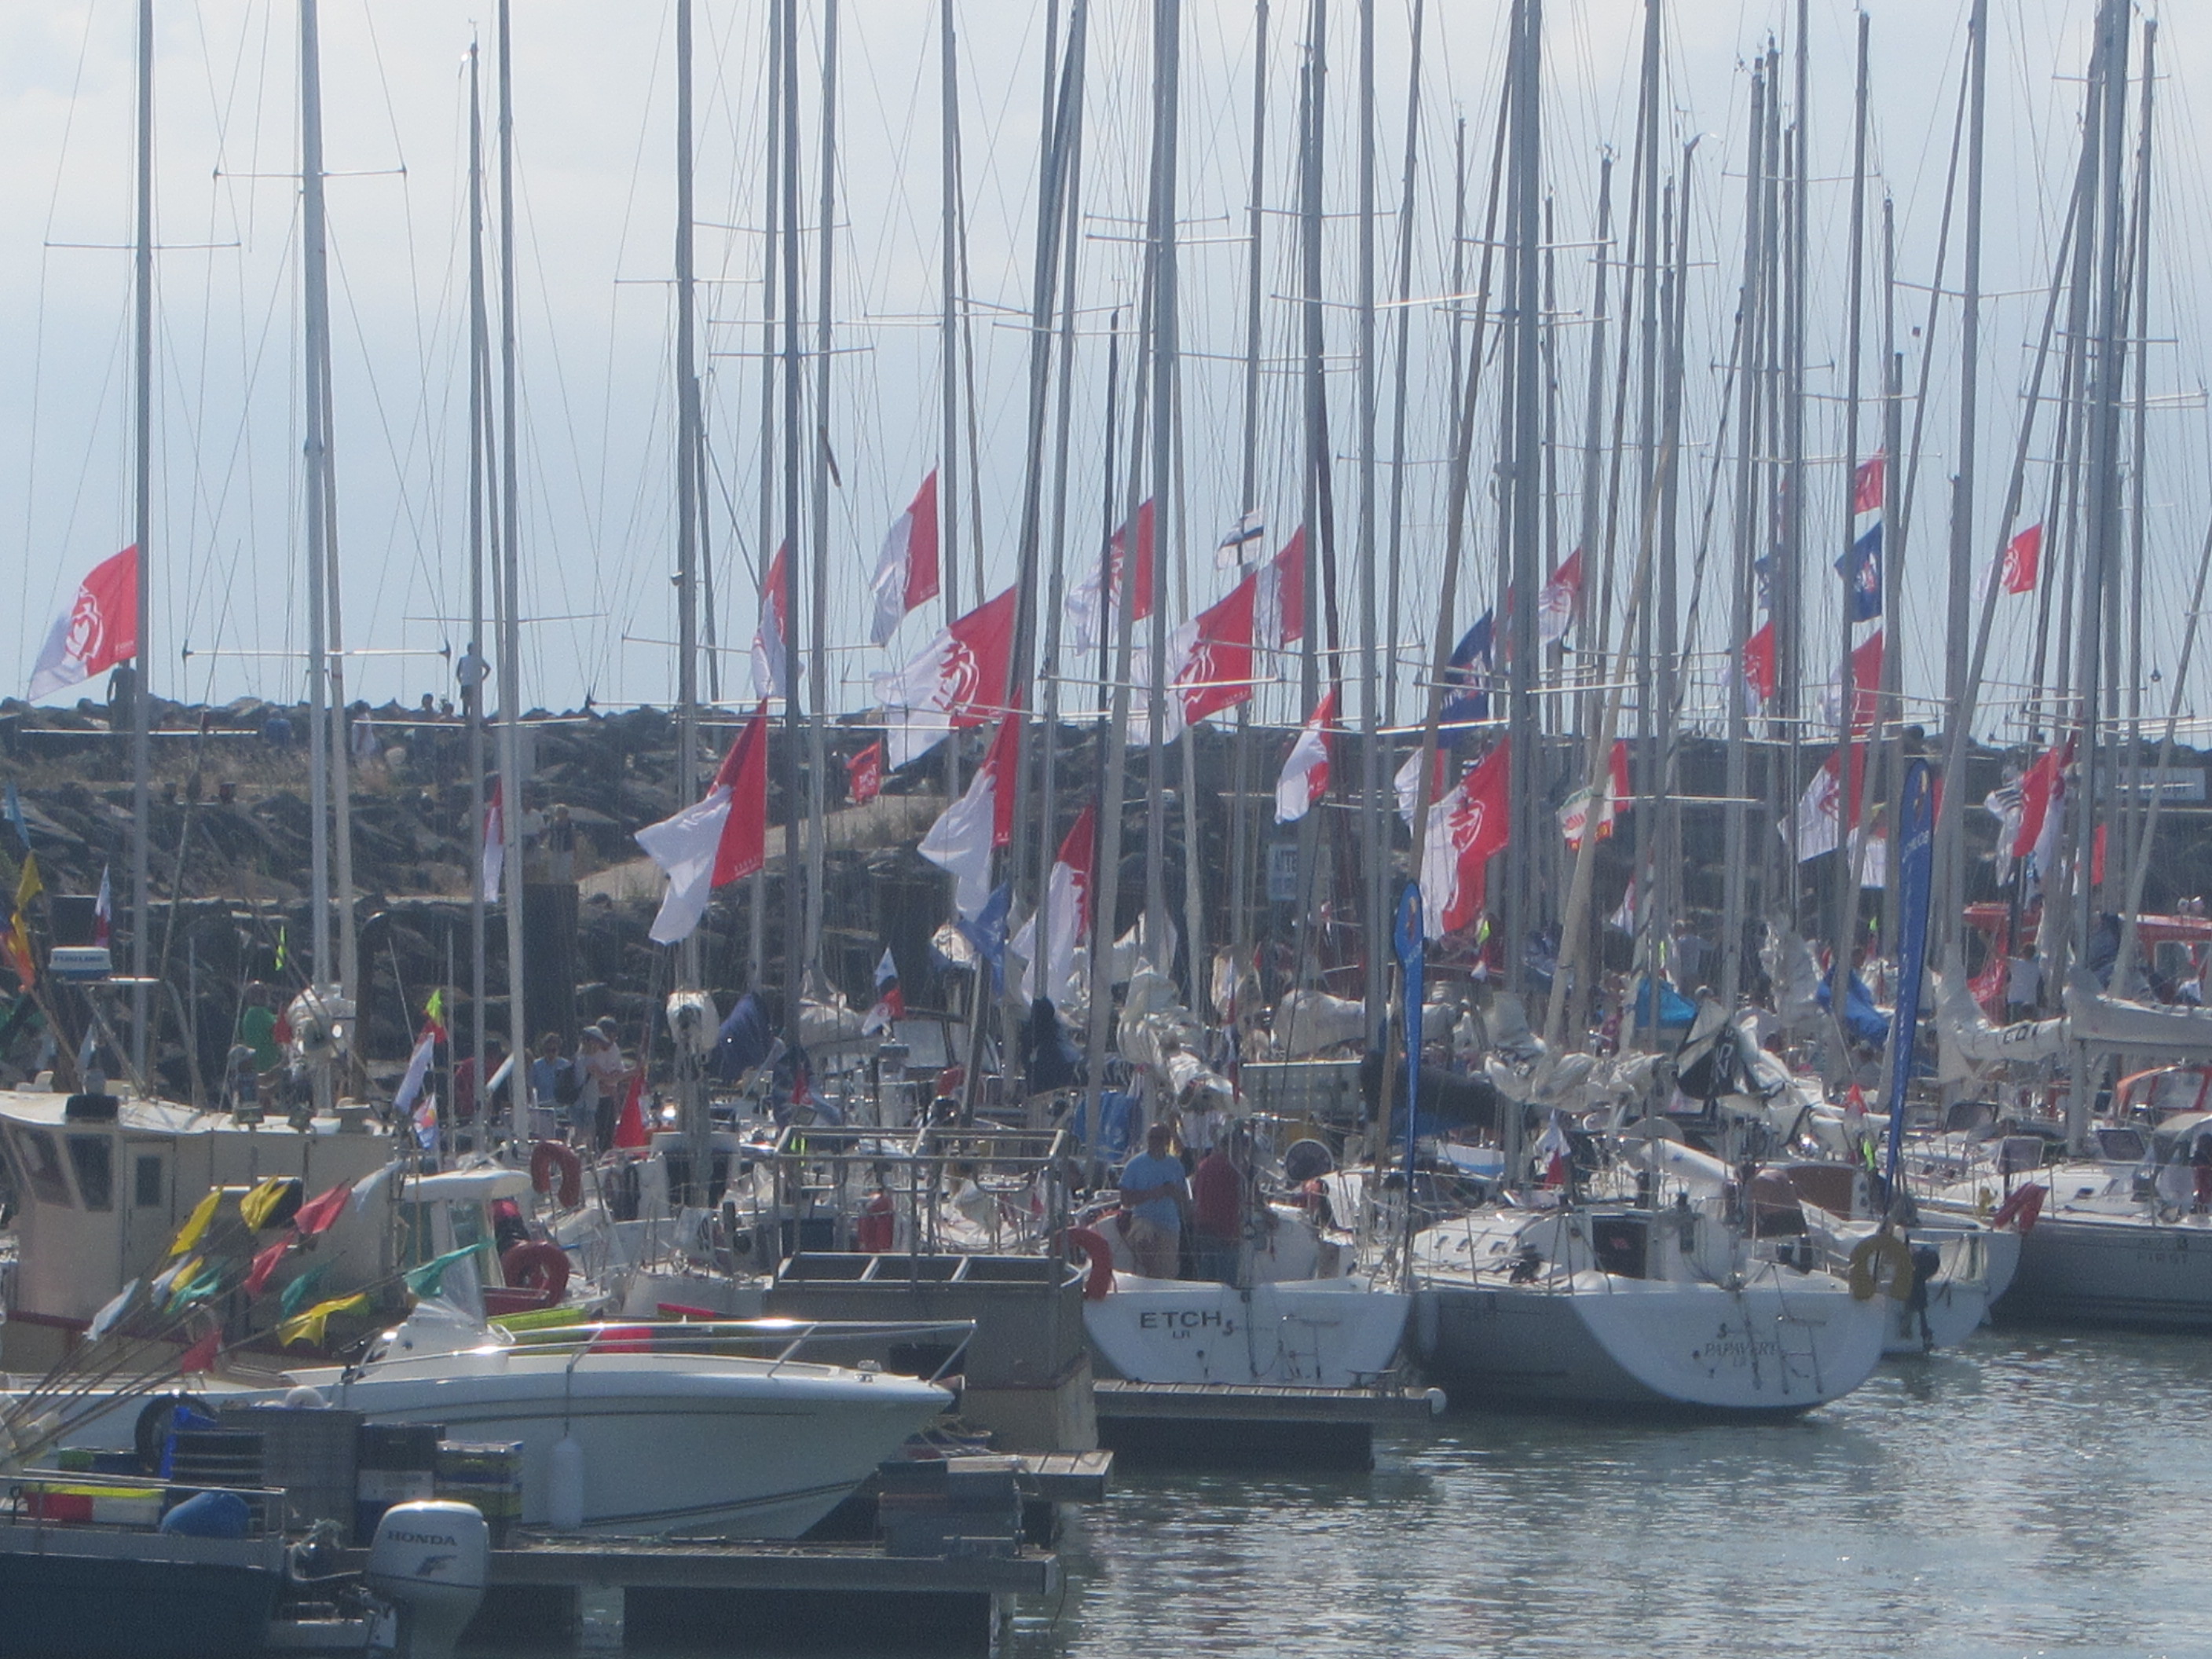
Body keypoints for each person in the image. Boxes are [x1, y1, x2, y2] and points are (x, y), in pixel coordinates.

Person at [1118, 1122, 1189, 1280]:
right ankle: (1148, 1276)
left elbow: (1184, 1198)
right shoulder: (1135, 1164)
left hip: (1169, 1223)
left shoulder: (1175, 1165)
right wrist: (1152, 1193)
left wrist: (1172, 1191)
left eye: (1159, 1138)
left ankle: (1159, 1288)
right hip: (1143, 1217)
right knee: (1144, 1236)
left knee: (1167, 1272)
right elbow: (1125, 1199)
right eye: (1151, 1137)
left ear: (1167, 1141)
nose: (1154, 1141)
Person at [1190, 1134, 1245, 1284]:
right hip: (1226, 1231)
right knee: (1226, 1282)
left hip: (1204, 1227)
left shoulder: (1204, 1165)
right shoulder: (1234, 1169)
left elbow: (1195, 1193)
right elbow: (1247, 1198)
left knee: (1206, 1278)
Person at [528, 1033, 572, 1141]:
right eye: (547, 1050)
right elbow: (531, 1088)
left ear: (558, 1050)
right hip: (543, 1110)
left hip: (561, 1111)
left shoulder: (566, 1065)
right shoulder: (536, 1066)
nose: (551, 1053)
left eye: (554, 1050)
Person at [237, 984, 282, 1075]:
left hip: (256, 1065)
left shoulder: (250, 1013)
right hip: (268, 1065)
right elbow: (277, 1029)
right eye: (264, 995)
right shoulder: (259, 1012)